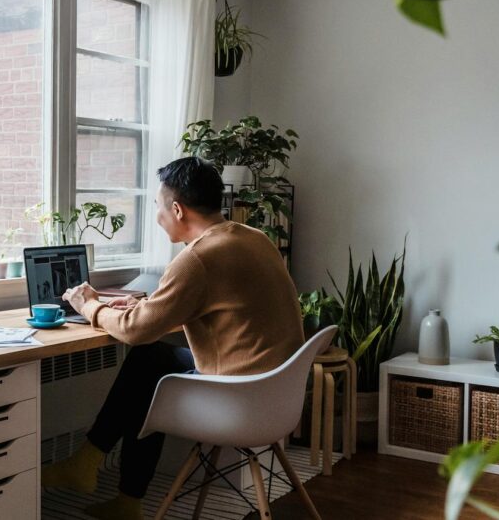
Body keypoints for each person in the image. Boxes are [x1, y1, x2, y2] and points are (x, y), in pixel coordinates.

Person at [42, 156, 305, 520]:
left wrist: (88, 306)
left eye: (157, 206)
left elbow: (136, 331)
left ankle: (93, 467)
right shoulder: (254, 239)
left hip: (238, 401)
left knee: (148, 366)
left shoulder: (198, 258)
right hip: (276, 395)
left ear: (177, 210)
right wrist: (145, 302)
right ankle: (113, 487)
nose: (157, 216)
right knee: (152, 363)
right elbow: (223, 308)